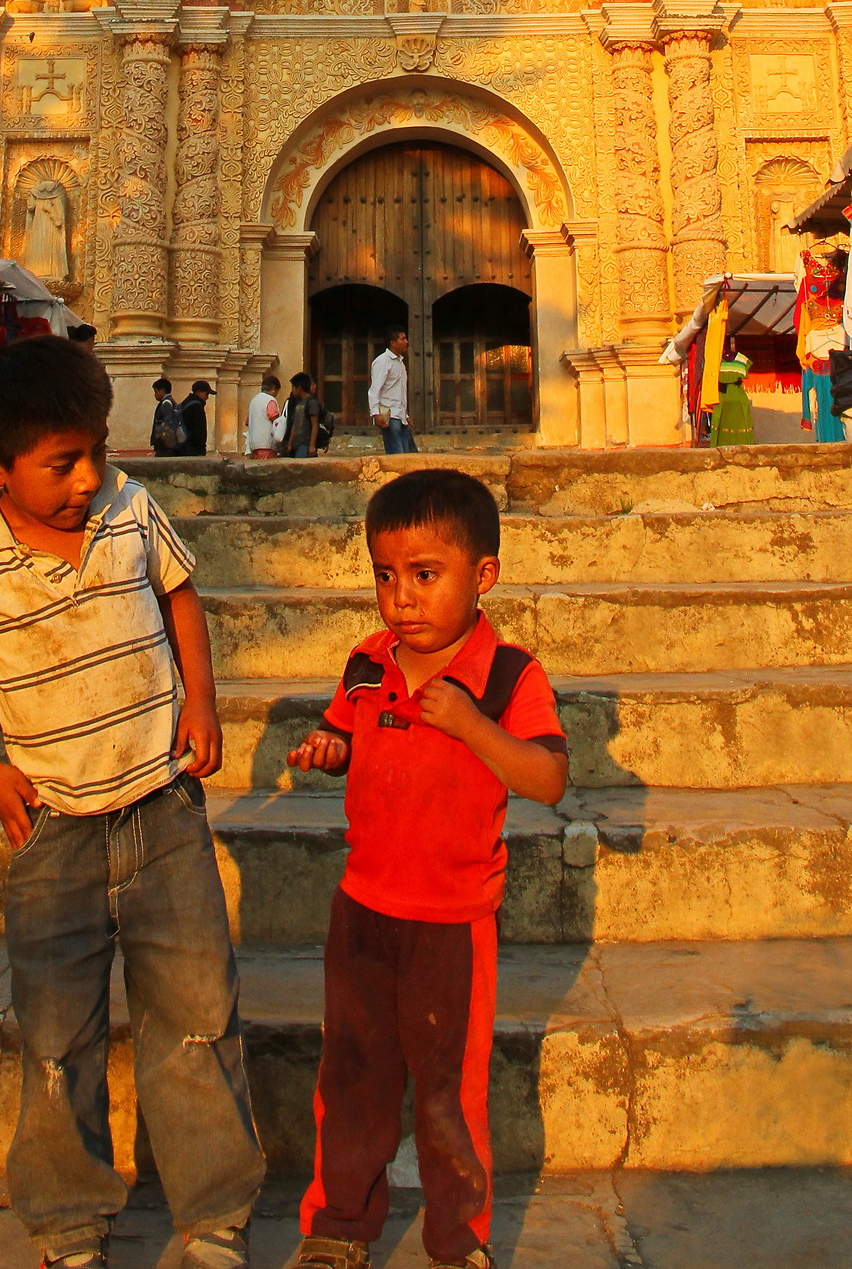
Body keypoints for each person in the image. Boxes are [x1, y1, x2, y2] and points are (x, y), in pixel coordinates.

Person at [0, 340, 263, 1269]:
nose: (87, 477)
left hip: (162, 804)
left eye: (95, 453)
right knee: (57, 1038)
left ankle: (216, 1218)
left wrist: (202, 696)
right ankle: (69, 1226)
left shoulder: (129, 508)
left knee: (197, 1018)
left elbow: (180, 594)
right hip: (55, 828)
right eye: (62, 464)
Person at [286, 469, 567, 1269]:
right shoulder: (366, 662)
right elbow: (349, 734)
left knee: (448, 1095)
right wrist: (329, 750)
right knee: (352, 1077)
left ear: (483, 577)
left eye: (423, 576)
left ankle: (457, 1240)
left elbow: (545, 777)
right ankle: (338, 1226)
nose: (401, 598)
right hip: (363, 907)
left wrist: (473, 725)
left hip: (451, 919)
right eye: (384, 576)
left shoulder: (508, 674)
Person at [368, 330, 416, 455]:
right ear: (393, 343)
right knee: (397, 454)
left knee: (407, 454)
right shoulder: (382, 361)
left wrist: (405, 415)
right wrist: (375, 414)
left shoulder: (400, 363)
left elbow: (398, 391)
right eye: (403, 339)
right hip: (389, 415)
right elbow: (374, 390)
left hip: (400, 415)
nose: (406, 342)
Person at [284, 370, 322, 459]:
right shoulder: (298, 403)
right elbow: (295, 424)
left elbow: (315, 425)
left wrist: (312, 445)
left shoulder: (311, 403)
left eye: (294, 387)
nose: (292, 390)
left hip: (305, 443)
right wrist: (290, 443)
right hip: (296, 444)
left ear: (299, 388)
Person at [246, 373, 283, 458]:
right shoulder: (270, 400)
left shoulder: (253, 401)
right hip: (266, 443)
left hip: (253, 444)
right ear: (274, 388)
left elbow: (247, 422)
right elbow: (275, 420)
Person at [150, 377, 186, 456]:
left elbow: (167, 422)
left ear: (162, 390)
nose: (154, 394)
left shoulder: (166, 403)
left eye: (156, 391)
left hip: (165, 444)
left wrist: (160, 440)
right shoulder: (171, 402)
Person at [179, 379, 213, 457]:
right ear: (198, 391)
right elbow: (199, 430)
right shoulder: (196, 406)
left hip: (182, 446)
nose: (207, 397)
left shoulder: (185, 403)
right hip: (192, 449)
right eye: (206, 394)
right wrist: (201, 450)